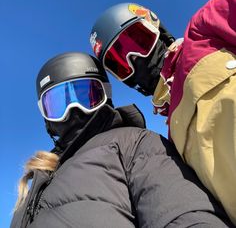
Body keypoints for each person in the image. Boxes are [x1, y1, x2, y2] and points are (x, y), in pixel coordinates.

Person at [11, 52, 233, 228]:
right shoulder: (39, 179)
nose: (73, 110)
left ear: (105, 95)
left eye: (86, 96)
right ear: (45, 115)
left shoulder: (134, 143)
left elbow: (183, 212)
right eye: (58, 104)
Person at [90, 0, 236, 224]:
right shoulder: (171, 141)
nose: (135, 59)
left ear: (155, 27)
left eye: (138, 41)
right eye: (120, 63)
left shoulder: (204, 34)